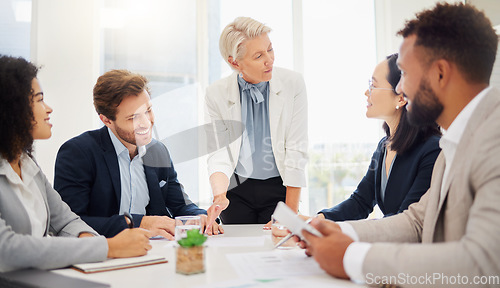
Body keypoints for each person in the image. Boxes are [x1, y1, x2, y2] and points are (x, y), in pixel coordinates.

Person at [300, 3, 500, 287]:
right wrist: (338, 230)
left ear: (440, 73)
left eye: (405, 73)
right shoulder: (456, 143)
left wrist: (351, 257)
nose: (402, 89)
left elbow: (483, 264)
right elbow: (417, 222)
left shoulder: (493, 141)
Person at [0, 55, 152, 272]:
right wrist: (107, 247)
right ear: (12, 109)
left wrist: (89, 241)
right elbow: (6, 249)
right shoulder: (79, 151)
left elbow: (67, 221)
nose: (49, 108)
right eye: (40, 100)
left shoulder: (28, 165)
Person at [54, 69, 222, 238]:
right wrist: (138, 222)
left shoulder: (158, 151)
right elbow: (69, 224)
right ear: (106, 120)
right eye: (133, 117)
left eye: (148, 110)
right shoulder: (78, 153)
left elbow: (179, 205)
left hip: (154, 250)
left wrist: (200, 216)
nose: (146, 123)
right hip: (105, 254)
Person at [204, 17, 308, 230]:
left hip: (279, 186)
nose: (269, 60)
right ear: (235, 62)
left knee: (279, 248)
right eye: (259, 55)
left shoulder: (293, 84)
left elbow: (296, 149)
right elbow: (219, 153)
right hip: (236, 190)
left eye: (270, 50)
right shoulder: (216, 94)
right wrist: (219, 196)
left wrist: (289, 211)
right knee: (236, 250)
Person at [317, 53, 441, 221]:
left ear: (401, 97)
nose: (366, 92)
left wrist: (344, 233)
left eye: (373, 85)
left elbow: (404, 221)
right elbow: (360, 202)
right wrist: (318, 219)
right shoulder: (384, 146)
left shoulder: (432, 150)